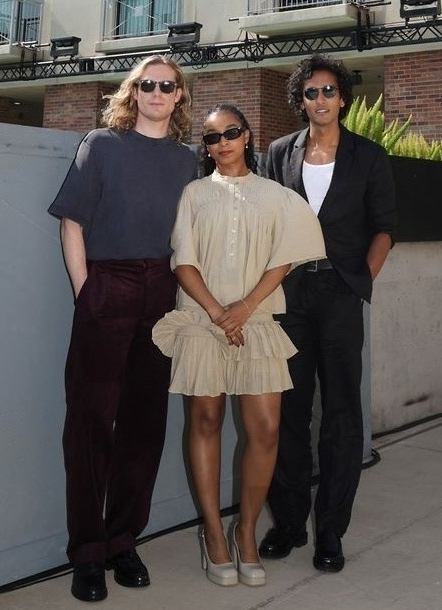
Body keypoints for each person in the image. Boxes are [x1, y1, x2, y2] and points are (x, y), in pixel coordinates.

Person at [152, 103, 325, 587]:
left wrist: (244, 307)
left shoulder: (277, 196)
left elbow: (284, 259)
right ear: (206, 147)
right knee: (205, 420)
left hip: (257, 320)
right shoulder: (194, 194)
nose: (222, 142)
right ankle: (212, 533)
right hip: (202, 319)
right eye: (212, 137)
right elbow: (184, 261)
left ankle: (245, 531)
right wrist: (217, 312)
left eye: (230, 132)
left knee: (266, 429)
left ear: (247, 135)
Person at [48, 55, 198, 602]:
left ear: (179, 96)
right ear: (133, 92)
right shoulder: (101, 144)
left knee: (144, 424)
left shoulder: (187, 160)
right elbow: (73, 222)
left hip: (161, 288)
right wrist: (86, 291)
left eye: (167, 85)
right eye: (147, 84)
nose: (157, 92)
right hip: (107, 284)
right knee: (90, 423)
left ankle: (122, 541)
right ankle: (87, 553)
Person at [259, 54, 397, 573]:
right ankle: (290, 523)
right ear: (300, 100)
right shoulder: (279, 153)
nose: (320, 100)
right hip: (289, 297)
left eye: (329, 91)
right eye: (311, 92)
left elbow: (384, 227)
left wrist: (360, 281)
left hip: (340, 295)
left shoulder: (369, 155)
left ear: (343, 98)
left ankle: (331, 531)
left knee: (340, 414)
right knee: (288, 410)